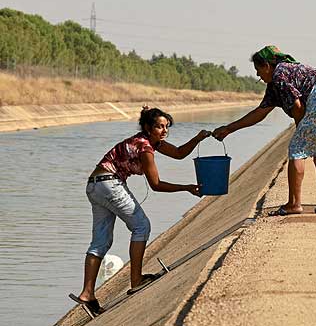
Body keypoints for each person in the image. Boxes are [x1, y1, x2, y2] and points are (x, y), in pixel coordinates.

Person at [70, 107, 211, 315]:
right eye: (159, 127)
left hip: (94, 185)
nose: (164, 131)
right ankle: (136, 280)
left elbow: (179, 153)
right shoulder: (145, 148)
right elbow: (155, 184)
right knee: (142, 226)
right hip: (109, 184)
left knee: (101, 241)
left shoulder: (151, 142)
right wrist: (187, 187)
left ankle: (87, 293)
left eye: (166, 127)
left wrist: (198, 138)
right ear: (148, 128)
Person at [213, 45, 316, 216]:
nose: (258, 75)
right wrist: (229, 129)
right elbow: (260, 113)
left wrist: (300, 128)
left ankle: (294, 204)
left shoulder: (279, 74)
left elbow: (297, 106)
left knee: (296, 149)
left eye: (258, 70)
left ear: (267, 65)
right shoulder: (283, 77)